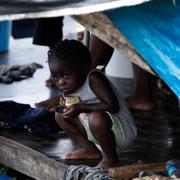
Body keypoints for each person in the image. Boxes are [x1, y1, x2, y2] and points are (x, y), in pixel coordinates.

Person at [35, 39, 137, 168]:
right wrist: (67, 106)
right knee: (59, 115)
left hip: (123, 131)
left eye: (66, 76)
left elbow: (112, 105)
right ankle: (91, 150)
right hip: (99, 131)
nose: (60, 82)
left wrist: (80, 106)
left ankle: (111, 159)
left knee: (96, 116)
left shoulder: (93, 78)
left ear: (84, 69)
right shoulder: (72, 85)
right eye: (56, 77)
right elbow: (77, 106)